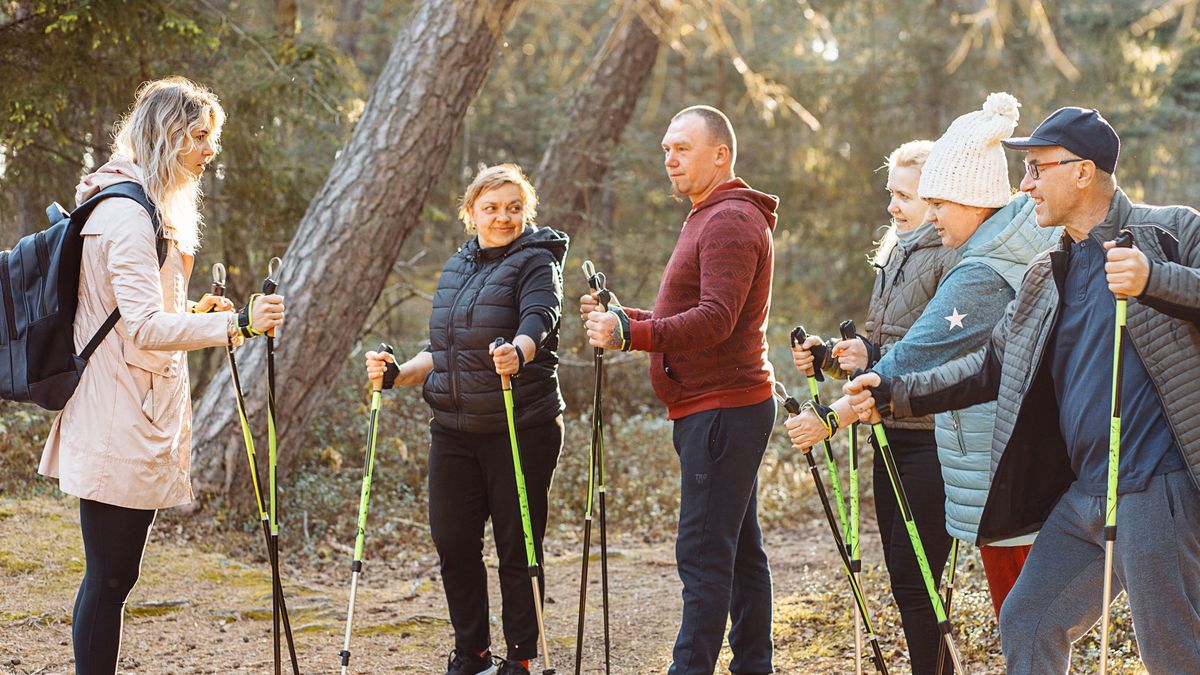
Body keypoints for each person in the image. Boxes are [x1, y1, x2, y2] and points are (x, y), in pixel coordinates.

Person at [844, 106, 1200, 673]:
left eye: (1037, 168)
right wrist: (894, 393)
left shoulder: (1172, 230)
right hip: (1085, 492)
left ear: (1082, 172)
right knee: (1028, 618)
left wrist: (1155, 279)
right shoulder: (1046, 272)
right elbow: (992, 366)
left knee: (1173, 652)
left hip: (1154, 486)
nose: (1025, 184)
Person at [787, 93, 1056, 650]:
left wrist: (833, 418)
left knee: (1021, 621)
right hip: (970, 448)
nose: (927, 216)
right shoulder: (953, 251)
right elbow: (897, 349)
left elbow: (917, 355)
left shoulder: (976, 271)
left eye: (933, 201)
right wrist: (843, 359)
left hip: (982, 454)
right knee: (1019, 618)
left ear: (970, 198)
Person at [37, 78, 286, 675]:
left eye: (212, 137)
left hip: (129, 406)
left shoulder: (138, 205)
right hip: (118, 412)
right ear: (165, 135)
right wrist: (238, 325)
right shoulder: (126, 213)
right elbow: (145, 328)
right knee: (109, 577)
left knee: (115, 575)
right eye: (198, 136)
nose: (209, 150)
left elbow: (131, 311)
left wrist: (196, 313)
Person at [582, 105, 779, 675]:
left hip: (722, 410)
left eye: (682, 148)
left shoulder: (729, 220)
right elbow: (690, 313)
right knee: (738, 551)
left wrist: (630, 335)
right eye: (666, 149)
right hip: (717, 409)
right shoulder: (708, 214)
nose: (669, 159)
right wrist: (628, 318)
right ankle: (754, 666)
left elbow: (716, 319)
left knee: (703, 554)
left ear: (720, 154)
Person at [365, 164, 568, 675]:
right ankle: (472, 653)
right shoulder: (458, 266)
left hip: (519, 427)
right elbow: (443, 350)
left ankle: (520, 657)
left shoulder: (539, 261)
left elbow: (540, 318)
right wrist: (395, 375)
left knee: (517, 548)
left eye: (514, 208)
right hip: (454, 431)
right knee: (453, 542)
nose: (503, 217)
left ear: (526, 212)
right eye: (491, 208)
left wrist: (519, 352)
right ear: (471, 212)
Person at [790, 138, 962, 672]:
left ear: (936, 200)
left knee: (918, 582)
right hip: (889, 434)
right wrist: (830, 357)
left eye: (904, 196)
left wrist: (869, 366)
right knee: (907, 581)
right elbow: (880, 351)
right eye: (891, 193)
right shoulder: (895, 253)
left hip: (934, 440)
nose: (892, 206)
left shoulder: (952, 258)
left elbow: (942, 352)